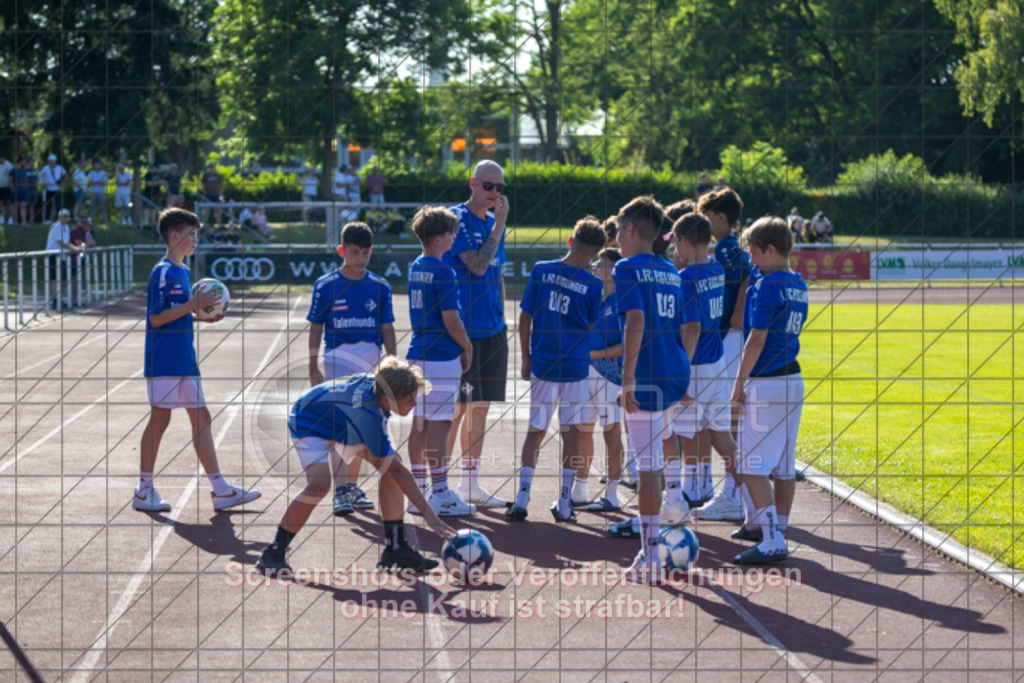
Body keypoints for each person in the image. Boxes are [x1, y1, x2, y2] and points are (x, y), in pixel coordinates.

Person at [254, 357, 455, 575]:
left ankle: (396, 548)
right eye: (409, 400)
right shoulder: (367, 416)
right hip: (308, 422)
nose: (415, 404)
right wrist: (431, 517)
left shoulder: (379, 387)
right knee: (319, 485)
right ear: (387, 400)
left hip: (341, 421)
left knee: (391, 465)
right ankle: (273, 552)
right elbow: (398, 471)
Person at [136, 208, 261, 513]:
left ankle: (220, 490)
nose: (196, 240)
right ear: (175, 237)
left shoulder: (183, 272)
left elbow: (177, 312)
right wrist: (194, 304)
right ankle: (143, 489)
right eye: (191, 235)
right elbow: (155, 318)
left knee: (201, 417)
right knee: (160, 419)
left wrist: (199, 315)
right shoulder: (162, 271)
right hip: (164, 359)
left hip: (184, 359)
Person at [610, 195, 690, 583]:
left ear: (629, 230)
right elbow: (687, 325)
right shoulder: (672, 270)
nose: (617, 240)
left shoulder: (627, 267)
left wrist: (627, 380)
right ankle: (672, 509)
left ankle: (651, 554)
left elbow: (635, 320)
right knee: (657, 453)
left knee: (646, 466)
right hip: (674, 371)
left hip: (648, 377)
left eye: (617, 232)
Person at [505, 216, 604, 522]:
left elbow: (525, 317)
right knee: (571, 431)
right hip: (575, 366)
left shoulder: (541, 270)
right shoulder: (593, 283)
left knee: (536, 429)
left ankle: (522, 498)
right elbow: (591, 325)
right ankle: (564, 501)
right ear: (595, 253)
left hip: (543, 363)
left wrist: (525, 357)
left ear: (570, 241)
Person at [730, 216, 807, 565]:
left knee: (748, 462)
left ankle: (772, 537)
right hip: (793, 378)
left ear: (771, 249)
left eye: (754, 251)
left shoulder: (766, 286)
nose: (750, 258)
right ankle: (770, 526)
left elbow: (756, 337)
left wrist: (738, 385)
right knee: (784, 463)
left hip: (768, 381)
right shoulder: (799, 282)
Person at [307, 222, 397, 516]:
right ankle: (340, 490)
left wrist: (392, 364)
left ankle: (351, 486)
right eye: (354, 252)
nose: (360, 258)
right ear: (341, 251)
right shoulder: (325, 285)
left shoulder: (380, 286)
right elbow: (316, 326)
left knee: (366, 426)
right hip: (338, 359)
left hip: (372, 359)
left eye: (365, 253)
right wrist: (313, 365)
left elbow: (387, 327)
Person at [443, 160, 510, 508]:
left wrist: (501, 316)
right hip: (464, 332)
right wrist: (499, 225)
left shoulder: (491, 223)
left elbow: (495, 274)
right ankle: (438, 485)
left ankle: (470, 483)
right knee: (455, 409)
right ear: (472, 183)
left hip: (492, 329)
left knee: (479, 408)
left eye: (499, 188)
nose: (493, 194)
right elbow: (478, 264)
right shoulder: (457, 220)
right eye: (487, 186)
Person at [405, 206, 475, 517]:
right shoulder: (443, 271)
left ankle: (417, 491)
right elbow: (451, 318)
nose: (454, 237)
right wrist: (467, 345)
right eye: (450, 233)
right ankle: (440, 491)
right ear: (437, 239)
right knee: (439, 423)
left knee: (419, 422)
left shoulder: (415, 266)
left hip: (418, 352)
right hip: (440, 355)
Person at [666, 212, 738, 515]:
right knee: (720, 433)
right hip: (717, 360)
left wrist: (681, 370)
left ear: (683, 240)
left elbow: (691, 327)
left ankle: (689, 490)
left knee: (684, 430)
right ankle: (738, 493)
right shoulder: (716, 268)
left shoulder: (686, 278)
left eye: (675, 243)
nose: (674, 251)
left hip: (696, 364)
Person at [692, 187, 750, 523]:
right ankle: (732, 493)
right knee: (725, 419)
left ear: (721, 217)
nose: (703, 220)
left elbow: (745, 280)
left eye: (707, 214)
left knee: (725, 419)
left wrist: (736, 319)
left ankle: (733, 494)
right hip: (730, 337)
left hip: (729, 337)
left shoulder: (729, 249)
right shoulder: (730, 248)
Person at [578, 247, 626, 512]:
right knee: (584, 428)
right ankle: (580, 489)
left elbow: (626, 344)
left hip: (611, 376)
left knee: (611, 433)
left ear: (612, 271)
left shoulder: (622, 301)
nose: (595, 266)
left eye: (600, 264)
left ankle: (612, 493)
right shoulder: (598, 299)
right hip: (589, 372)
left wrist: (594, 354)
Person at [45, 208, 85, 310]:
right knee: (55, 279)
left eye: (67, 216)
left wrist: (77, 248)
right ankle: (55, 300)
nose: (65, 218)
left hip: (61, 256)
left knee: (61, 278)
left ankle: (59, 299)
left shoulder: (66, 227)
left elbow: (67, 242)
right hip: (53, 256)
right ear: (59, 217)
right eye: (63, 216)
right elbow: (61, 242)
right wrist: (76, 249)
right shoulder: (57, 227)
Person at [68, 216, 97, 307]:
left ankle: (77, 299)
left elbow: (93, 243)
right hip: (73, 258)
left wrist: (88, 241)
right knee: (74, 280)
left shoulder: (85, 232)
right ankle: (73, 300)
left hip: (81, 258)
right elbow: (80, 245)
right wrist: (87, 243)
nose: (89, 225)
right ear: (82, 223)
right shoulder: (75, 231)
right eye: (88, 223)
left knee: (80, 279)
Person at [39, 154, 67, 223]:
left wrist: (63, 184)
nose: (51, 162)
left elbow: (66, 175)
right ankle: (47, 220)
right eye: (50, 161)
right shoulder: (45, 168)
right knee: (48, 205)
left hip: (57, 190)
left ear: (55, 161)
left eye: (53, 161)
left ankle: (59, 220)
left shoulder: (59, 168)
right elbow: (40, 176)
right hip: (48, 189)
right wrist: (43, 183)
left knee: (58, 205)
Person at [200, 162, 224, 228]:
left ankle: (219, 224)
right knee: (206, 210)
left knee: (218, 210)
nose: (212, 168)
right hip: (207, 195)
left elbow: (221, 185)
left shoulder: (218, 175)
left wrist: (221, 194)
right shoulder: (206, 175)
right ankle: (203, 224)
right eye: (210, 166)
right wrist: (203, 191)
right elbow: (203, 184)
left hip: (216, 195)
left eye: (213, 166)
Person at [87, 161, 109, 225]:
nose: (96, 166)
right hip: (93, 192)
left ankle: (104, 221)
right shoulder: (91, 173)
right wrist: (99, 182)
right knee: (92, 207)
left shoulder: (104, 173)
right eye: (95, 165)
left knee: (103, 207)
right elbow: (90, 182)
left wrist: (95, 182)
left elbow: (104, 183)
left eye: (98, 165)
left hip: (101, 192)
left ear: (100, 165)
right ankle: (91, 221)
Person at [13, 158, 32, 226]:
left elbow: (26, 179)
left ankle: (24, 222)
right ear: (20, 162)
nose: (24, 163)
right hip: (16, 190)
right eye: (23, 161)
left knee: (23, 206)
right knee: (16, 207)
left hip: (24, 190)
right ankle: (15, 222)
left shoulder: (24, 169)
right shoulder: (13, 170)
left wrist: (27, 187)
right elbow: (10, 180)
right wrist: (12, 189)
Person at [25, 158, 39, 224]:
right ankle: (24, 220)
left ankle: (31, 220)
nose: (33, 162)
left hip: (34, 189)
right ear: (28, 162)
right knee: (25, 205)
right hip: (27, 190)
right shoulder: (24, 170)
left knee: (32, 205)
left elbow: (36, 179)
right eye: (31, 161)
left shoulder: (34, 170)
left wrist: (36, 187)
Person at [0, 153, 13, 225]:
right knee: (1, 204)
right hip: (0, 187)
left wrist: (9, 184)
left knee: (8, 203)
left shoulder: (8, 165)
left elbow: (11, 175)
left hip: (6, 187)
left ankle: (10, 218)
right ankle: (2, 218)